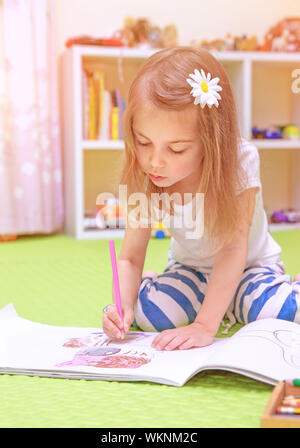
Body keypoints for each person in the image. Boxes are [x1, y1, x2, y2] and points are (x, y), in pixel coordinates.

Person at [102, 46, 300, 351]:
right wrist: (123, 305)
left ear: (212, 139)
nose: (155, 161)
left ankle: (248, 298)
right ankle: (184, 293)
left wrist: (205, 326)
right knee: (150, 316)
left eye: (177, 149)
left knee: (279, 314)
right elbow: (129, 256)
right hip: (191, 269)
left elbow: (234, 248)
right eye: (143, 142)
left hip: (250, 265)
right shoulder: (145, 172)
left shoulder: (239, 160)